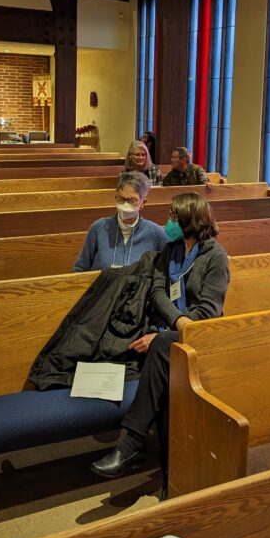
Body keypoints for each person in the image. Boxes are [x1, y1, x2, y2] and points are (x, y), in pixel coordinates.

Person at [90, 193, 230, 497]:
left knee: (165, 348)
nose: (168, 222)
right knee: (169, 387)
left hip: (198, 341)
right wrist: (170, 328)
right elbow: (155, 291)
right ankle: (170, 479)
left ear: (191, 219)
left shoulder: (215, 256)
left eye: (173, 216)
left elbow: (208, 312)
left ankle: (132, 443)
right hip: (167, 340)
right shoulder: (171, 250)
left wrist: (173, 328)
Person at [73, 171, 168, 272]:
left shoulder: (156, 234)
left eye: (132, 200)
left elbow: (167, 270)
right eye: (121, 199)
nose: (125, 205)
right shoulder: (98, 228)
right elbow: (80, 269)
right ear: (116, 198)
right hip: (103, 287)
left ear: (143, 203)